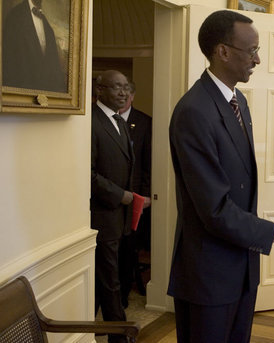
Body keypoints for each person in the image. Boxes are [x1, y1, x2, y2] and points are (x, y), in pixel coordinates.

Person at [167, 10, 274, 343]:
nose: (257, 59)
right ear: (223, 51)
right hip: (208, 275)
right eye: (251, 50)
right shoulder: (194, 111)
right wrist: (272, 231)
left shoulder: (236, 99)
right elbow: (214, 208)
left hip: (240, 269)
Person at [91, 70, 134, 343]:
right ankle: (120, 337)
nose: (122, 92)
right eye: (116, 87)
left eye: (125, 87)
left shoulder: (119, 122)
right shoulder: (91, 122)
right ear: (100, 90)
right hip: (102, 213)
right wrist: (120, 195)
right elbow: (88, 173)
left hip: (118, 216)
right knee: (110, 278)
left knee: (106, 276)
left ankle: (97, 327)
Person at [118, 81, 152, 308]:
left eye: (126, 94)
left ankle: (123, 296)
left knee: (130, 247)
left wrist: (148, 195)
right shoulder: (97, 119)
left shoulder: (144, 122)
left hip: (137, 197)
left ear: (133, 96)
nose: (121, 98)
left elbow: (149, 162)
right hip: (109, 197)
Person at [2, 0, 67, 92]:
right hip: (20, 92)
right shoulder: (15, 16)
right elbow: (8, 61)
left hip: (45, 94)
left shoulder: (47, 26)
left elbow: (53, 67)